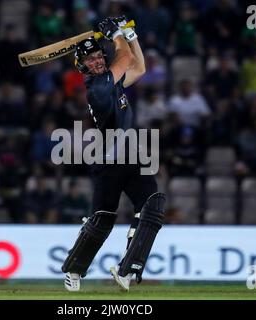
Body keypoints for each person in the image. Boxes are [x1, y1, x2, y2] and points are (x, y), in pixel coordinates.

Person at [61, 16, 166, 292]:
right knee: (103, 219)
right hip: (108, 159)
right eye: (90, 60)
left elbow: (139, 67)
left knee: (152, 207)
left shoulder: (114, 81)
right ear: (82, 67)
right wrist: (117, 35)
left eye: (98, 56)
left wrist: (130, 35)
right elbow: (125, 56)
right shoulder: (98, 88)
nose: (96, 61)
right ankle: (74, 269)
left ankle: (128, 271)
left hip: (133, 155)